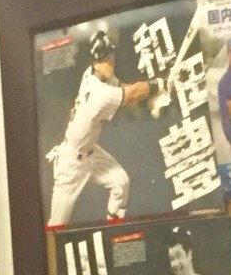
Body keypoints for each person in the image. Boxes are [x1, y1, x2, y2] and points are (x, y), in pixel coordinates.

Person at [46, 28, 153, 226]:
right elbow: (131, 94)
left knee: (121, 183)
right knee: (56, 226)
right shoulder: (99, 94)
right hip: (70, 164)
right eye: (104, 59)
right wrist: (159, 86)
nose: (110, 61)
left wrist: (150, 101)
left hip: (90, 153)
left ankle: (113, 230)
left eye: (111, 55)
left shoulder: (92, 75)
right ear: (95, 63)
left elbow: (125, 89)